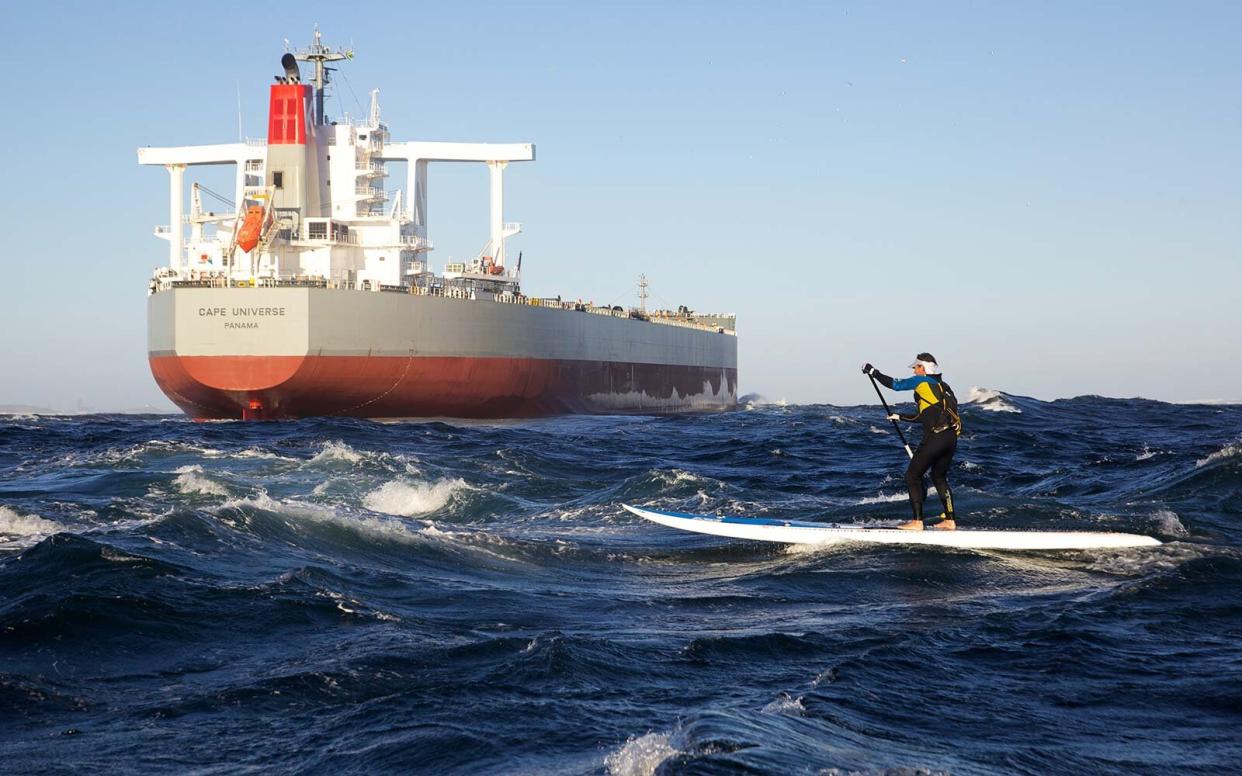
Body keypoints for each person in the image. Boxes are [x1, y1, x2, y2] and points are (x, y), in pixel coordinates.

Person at [862, 354, 962, 530]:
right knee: (938, 477)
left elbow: (896, 384)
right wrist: (900, 417)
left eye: (915, 368)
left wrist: (873, 372)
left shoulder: (921, 381)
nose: (914, 371)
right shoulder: (945, 387)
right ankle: (950, 520)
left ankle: (917, 522)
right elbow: (928, 415)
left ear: (922, 368)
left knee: (912, 476)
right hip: (951, 439)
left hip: (935, 438)